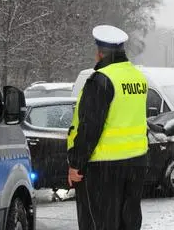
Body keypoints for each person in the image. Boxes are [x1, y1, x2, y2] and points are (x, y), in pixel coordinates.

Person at [67, 25, 148, 230]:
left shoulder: (101, 80)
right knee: (129, 223)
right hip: (136, 162)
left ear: (100, 53)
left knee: (100, 224)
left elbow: (89, 127)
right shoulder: (138, 78)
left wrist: (76, 164)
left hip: (103, 167)